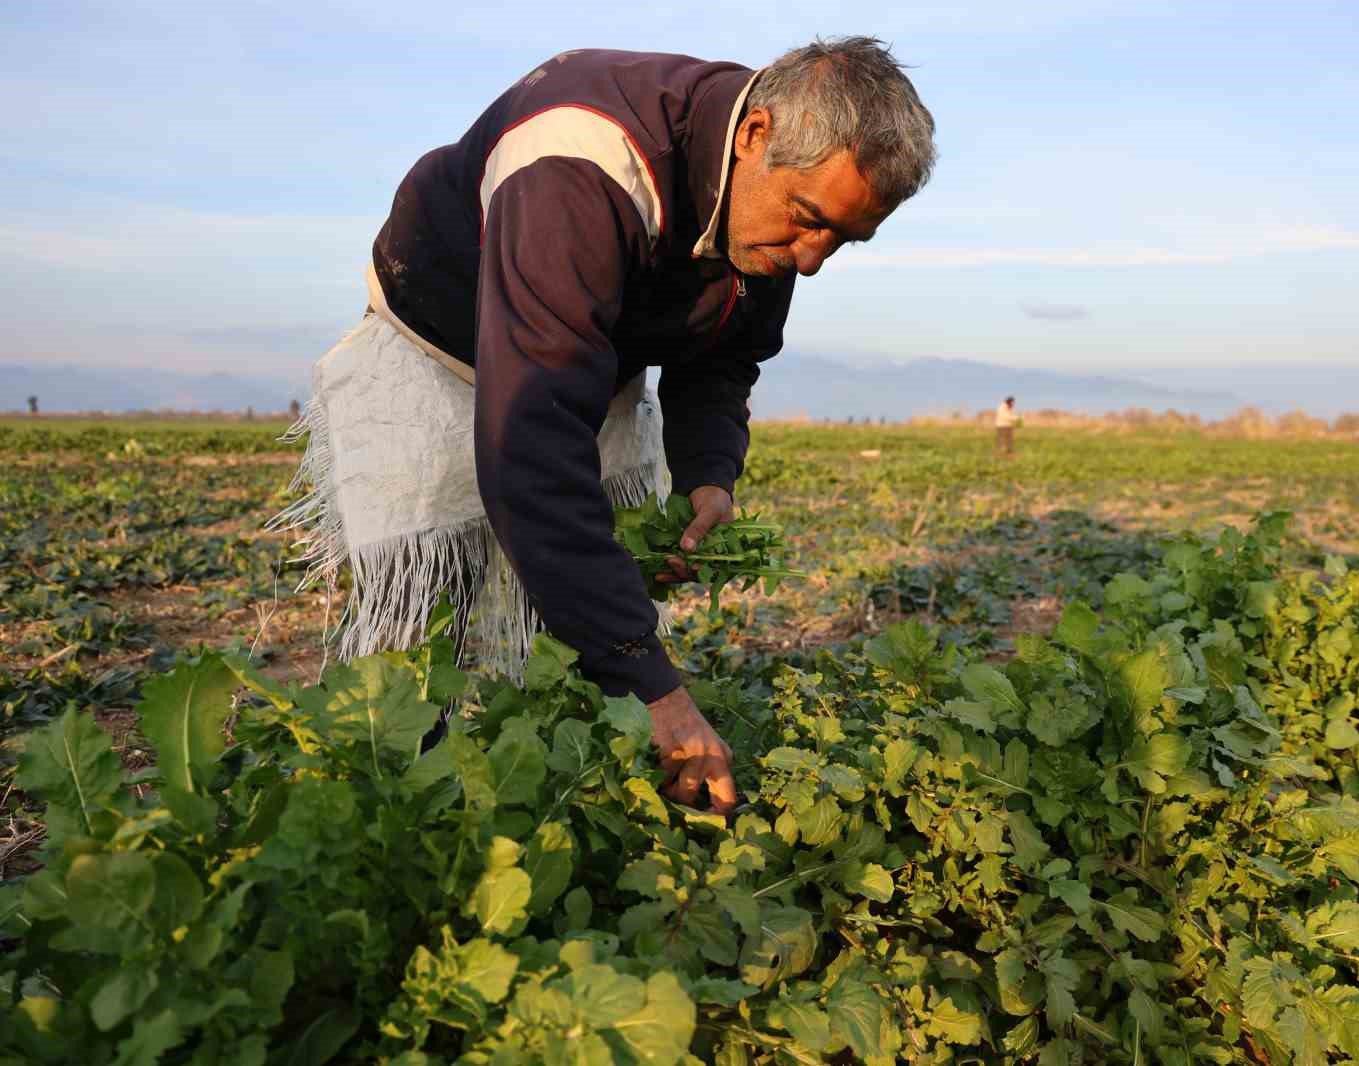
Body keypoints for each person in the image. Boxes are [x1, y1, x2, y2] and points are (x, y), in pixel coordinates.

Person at [271, 38, 937, 813]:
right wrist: (656, 690)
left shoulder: (766, 208)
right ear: (756, 135)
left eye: (844, 239)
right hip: (441, 335)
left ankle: (563, 795)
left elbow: (725, 354)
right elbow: (534, 456)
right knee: (425, 618)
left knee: (573, 618)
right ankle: (384, 811)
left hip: (592, 346)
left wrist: (707, 474)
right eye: (809, 220)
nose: (814, 259)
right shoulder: (578, 167)